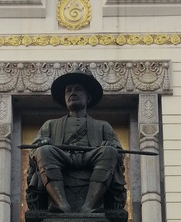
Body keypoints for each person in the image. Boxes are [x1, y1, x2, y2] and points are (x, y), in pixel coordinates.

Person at [26, 71, 126, 214]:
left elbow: (118, 150)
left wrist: (111, 146)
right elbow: (34, 149)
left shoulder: (103, 125)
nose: (72, 93)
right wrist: (42, 143)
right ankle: (61, 204)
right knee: (44, 151)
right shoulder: (51, 125)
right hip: (62, 157)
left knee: (109, 152)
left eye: (78, 89)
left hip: (90, 157)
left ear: (88, 98)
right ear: (65, 98)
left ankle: (90, 205)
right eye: (68, 91)